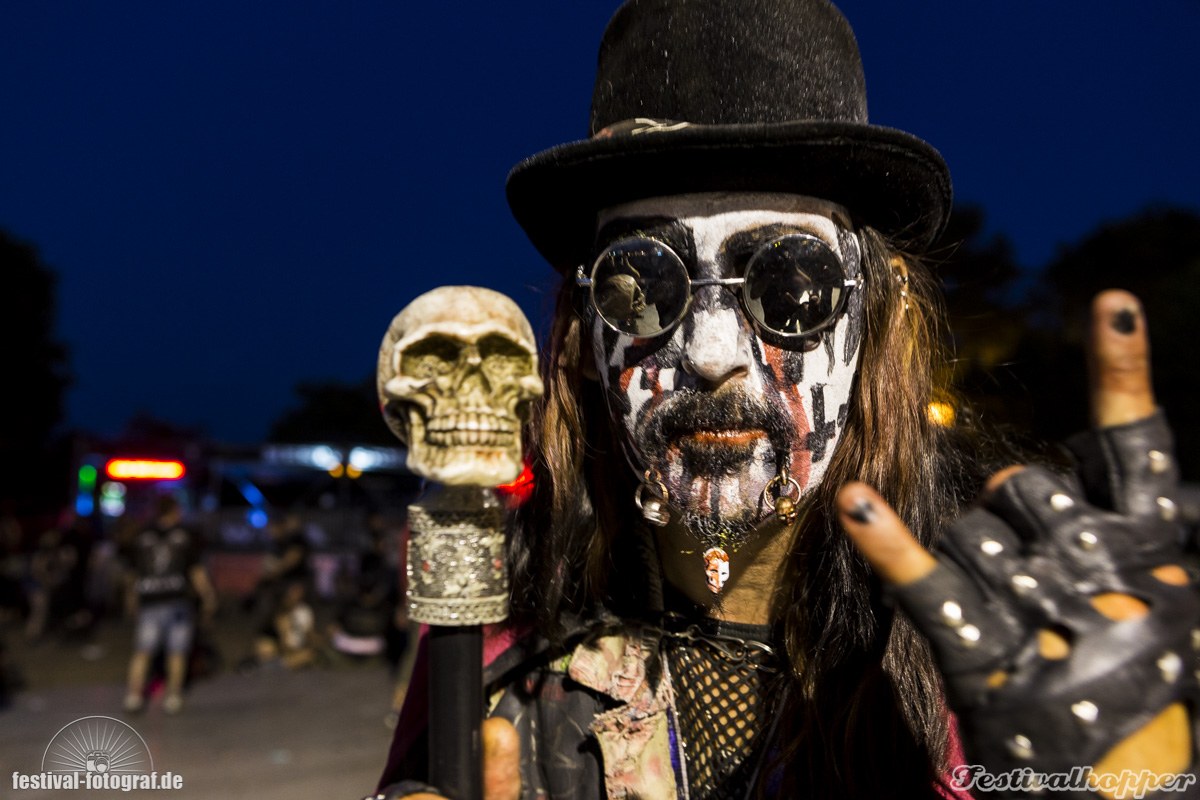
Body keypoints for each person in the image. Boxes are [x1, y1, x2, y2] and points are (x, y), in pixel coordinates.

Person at [376, 1, 1199, 798]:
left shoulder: (1011, 641)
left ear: (881, 319)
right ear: (579, 344)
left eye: (791, 284)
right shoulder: (484, 638)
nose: (710, 355)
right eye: (641, 285)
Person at [122, 495, 216, 714]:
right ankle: (173, 696)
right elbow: (195, 570)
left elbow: (132, 574)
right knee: (177, 651)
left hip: (150, 600)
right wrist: (208, 595)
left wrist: (130, 598)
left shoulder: (142, 535)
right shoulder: (185, 536)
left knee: (142, 651)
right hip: (177, 599)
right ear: (175, 511)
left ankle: (134, 696)